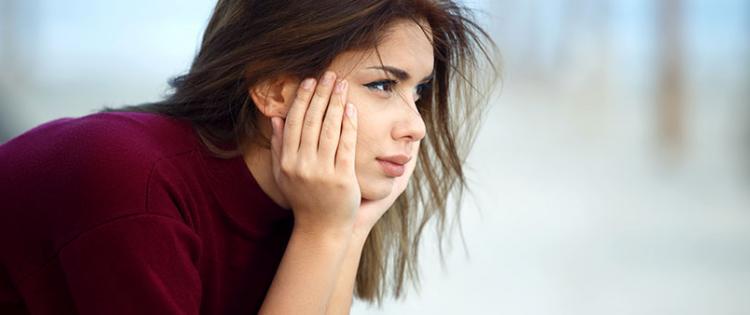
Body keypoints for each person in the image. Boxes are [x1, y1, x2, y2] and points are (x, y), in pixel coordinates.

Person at [0, 0, 498, 314]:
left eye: (418, 91)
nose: (415, 127)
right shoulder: (132, 184)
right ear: (275, 90)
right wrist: (325, 232)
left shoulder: (305, 205)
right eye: (383, 84)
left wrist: (348, 228)